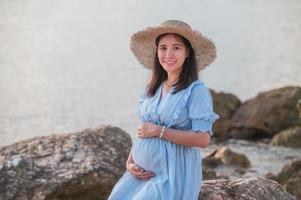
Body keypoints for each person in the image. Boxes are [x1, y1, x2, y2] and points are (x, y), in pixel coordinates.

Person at [108, 20, 219, 200]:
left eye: (176, 48)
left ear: (187, 52)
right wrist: (130, 162)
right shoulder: (153, 87)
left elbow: (203, 139)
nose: (168, 54)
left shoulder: (196, 90)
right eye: (163, 48)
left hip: (172, 173)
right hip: (139, 174)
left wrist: (160, 131)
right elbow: (143, 130)